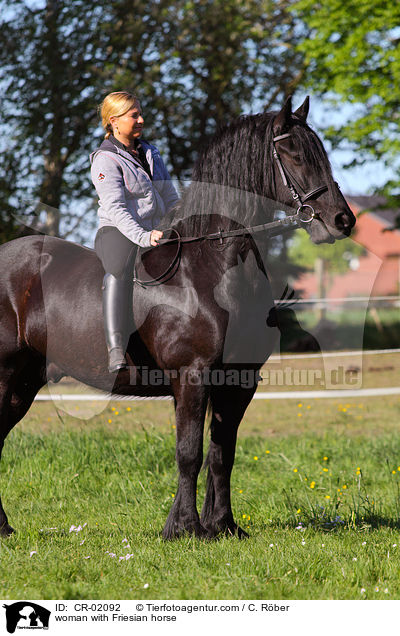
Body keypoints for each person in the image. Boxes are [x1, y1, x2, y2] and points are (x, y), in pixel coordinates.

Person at [90, 91, 180, 373]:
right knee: (118, 267)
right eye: (134, 115)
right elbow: (116, 209)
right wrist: (143, 236)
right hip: (117, 231)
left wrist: (182, 222)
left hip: (156, 227)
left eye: (140, 113)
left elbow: (170, 195)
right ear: (114, 121)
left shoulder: (151, 152)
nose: (141, 120)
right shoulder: (105, 160)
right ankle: (116, 347)